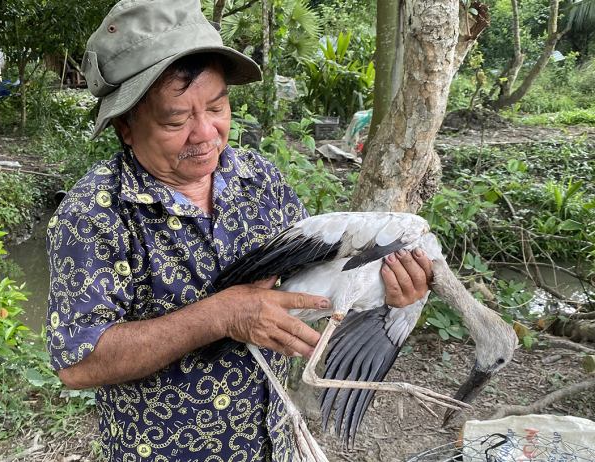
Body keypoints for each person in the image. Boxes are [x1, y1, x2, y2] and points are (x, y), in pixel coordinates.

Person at [46, 1, 433, 461]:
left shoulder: (261, 180)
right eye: (176, 120)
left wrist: (384, 295)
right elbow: (77, 361)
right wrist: (219, 316)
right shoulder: (94, 213)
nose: (205, 133)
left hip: (276, 445)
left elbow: (305, 294)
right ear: (125, 127)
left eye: (217, 106)